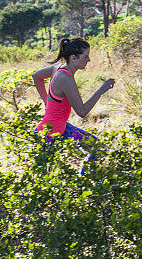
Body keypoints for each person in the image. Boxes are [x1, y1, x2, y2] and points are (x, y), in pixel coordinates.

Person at [32, 37, 114, 174]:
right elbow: (82, 112)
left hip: (62, 129)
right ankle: (82, 180)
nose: (89, 60)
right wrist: (101, 90)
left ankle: (83, 181)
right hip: (48, 135)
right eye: (86, 57)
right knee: (45, 180)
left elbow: (36, 76)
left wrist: (48, 102)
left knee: (97, 148)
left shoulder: (57, 68)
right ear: (74, 58)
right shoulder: (66, 79)